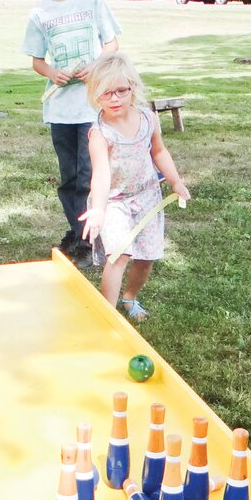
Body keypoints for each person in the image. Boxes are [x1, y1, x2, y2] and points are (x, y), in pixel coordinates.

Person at [22, 0, 121, 268]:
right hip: (60, 109)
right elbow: (37, 61)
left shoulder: (92, 1)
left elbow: (111, 44)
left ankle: (92, 239)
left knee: (89, 172)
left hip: (92, 106)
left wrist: (95, 67)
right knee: (69, 175)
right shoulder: (40, 12)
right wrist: (53, 72)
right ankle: (78, 232)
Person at [79, 52, 190, 320]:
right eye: (106, 93)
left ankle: (129, 298)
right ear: (95, 94)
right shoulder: (100, 134)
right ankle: (107, 315)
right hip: (114, 201)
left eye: (121, 91)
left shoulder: (148, 119)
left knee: (147, 255)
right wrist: (99, 209)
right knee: (119, 254)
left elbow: (159, 152)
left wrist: (175, 181)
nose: (114, 99)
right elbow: (102, 174)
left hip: (147, 195)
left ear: (133, 88)